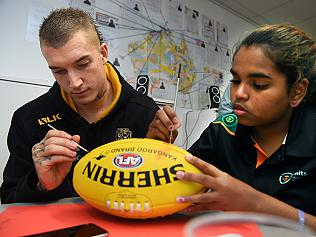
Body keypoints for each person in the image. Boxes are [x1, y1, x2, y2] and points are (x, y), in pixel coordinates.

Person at [148, 24, 316, 230]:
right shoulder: (222, 132)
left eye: (259, 85)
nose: (238, 93)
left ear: (296, 92)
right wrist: (155, 150)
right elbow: (175, 188)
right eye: (236, 80)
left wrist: (256, 204)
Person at [0, 8, 160, 203]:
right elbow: (9, 202)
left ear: (103, 53)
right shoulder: (29, 119)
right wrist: (41, 185)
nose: (74, 83)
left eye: (82, 64)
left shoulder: (145, 113)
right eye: (59, 71)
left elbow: (159, 197)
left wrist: (161, 158)